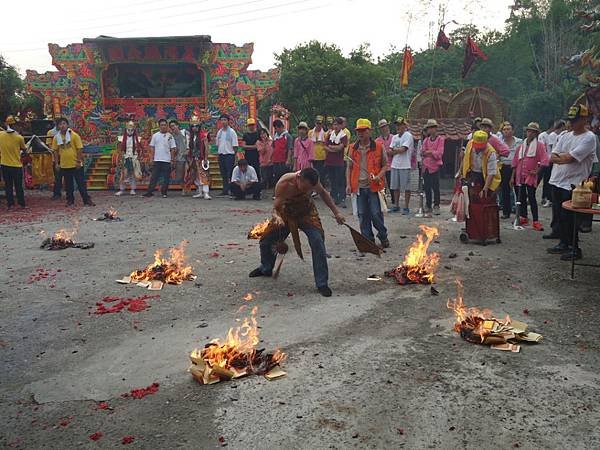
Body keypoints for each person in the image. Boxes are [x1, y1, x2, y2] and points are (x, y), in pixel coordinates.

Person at [249, 167, 345, 297]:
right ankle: (266, 268)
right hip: (286, 213)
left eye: (309, 189)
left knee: (317, 241)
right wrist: (278, 219)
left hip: (306, 213)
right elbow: (276, 208)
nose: (307, 191)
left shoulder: (313, 181)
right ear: (298, 178)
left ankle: (322, 283)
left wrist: (336, 212)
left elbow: (323, 193)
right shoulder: (284, 184)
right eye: (304, 188)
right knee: (266, 239)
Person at [547, 104, 597, 261]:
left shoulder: (589, 137)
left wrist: (561, 158)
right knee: (560, 215)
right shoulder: (565, 136)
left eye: (575, 120)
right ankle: (563, 242)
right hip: (557, 180)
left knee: (571, 217)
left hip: (575, 184)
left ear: (584, 119)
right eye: (570, 120)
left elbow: (570, 158)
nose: (571, 124)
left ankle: (574, 247)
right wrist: (561, 158)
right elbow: (552, 156)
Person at [346, 118, 390, 248]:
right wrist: (348, 184)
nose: (361, 133)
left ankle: (382, 235)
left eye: (363, 130)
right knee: (362, 214)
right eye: (359, 131)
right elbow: (349, 167)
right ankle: (368, 240)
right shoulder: (352, 148)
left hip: (374, 186)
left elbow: (385, 165)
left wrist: (379, 176)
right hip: (358, 186)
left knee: (376, 214)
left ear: (369, 131)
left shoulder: (378, 147)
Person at [512, 122, 549, 231]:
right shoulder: (521, 146)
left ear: (536, 133)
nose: (530, 133)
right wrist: (512, 176)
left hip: (530, 175)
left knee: (532, 197)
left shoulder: (539, 146)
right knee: (521, 196)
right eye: (528, 131)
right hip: (520, 174)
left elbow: (544, 160)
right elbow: (515, 162)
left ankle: (536, 220)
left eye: (532, 131)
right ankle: (524, 216)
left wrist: (537, 171)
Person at [51, 117, 95, 206]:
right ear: (58, 126)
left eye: (64, 124)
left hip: (76, 164)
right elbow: (55, 150)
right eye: (60, 124)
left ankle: (86, 200)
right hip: (64, 165)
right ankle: (70, 200)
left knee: (81, 184)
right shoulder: (56, 138)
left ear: (67, 125)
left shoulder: (74, 135)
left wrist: (78, 161)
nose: (62, 126)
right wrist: (56, 163)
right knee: (68, 185)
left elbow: (79, 149)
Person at [460, 130, 501, 201]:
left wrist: (485, 189)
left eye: (481, 146)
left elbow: (491, 173)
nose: (478, 148)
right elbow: (465, 160)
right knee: (471, 197)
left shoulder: (491, 152)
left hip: (486, 177)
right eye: (477, 146)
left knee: (486, 198)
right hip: (473, 173)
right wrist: (461, 172)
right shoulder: (470, 144)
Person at [143, 118, 176, 198]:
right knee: (154, 177)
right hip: (157, 160)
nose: (163, 126)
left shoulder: (170, 136)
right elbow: (152, 148)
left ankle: (164, 192)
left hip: (167, 160)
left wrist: (172, 159)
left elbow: (173, 149)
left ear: (167, 126)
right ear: (159, 126)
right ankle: (149, 192)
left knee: (166, 178)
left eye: (165, 125)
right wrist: (151, 158)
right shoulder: (155, 135)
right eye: (162, 125)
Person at [0, 115, 28, 209]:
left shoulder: (1, 135)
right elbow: (24, 149)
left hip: (4, 165)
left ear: (6, 124)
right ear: (15, 125)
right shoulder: (19, 137)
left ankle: (10, 205)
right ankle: (21, 204)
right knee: (18, 186)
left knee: (8, 186)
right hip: (16, 165)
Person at [389, 117, 414, 214]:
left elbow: (403, 149)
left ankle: (406, 207)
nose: (398, 127)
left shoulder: (408, 136)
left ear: (404, 126)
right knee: (395, 187)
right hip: (395, 164)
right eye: (397, 125)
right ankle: (396, 205)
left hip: (405, 164)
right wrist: (396, 150)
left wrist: (395, 150)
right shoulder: (394, 137)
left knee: (406, 187)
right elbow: (390, 152)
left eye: (400, 125)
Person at [421, 119, 445, 214]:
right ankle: (428, 204)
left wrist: (429, 152)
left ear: (435, 128)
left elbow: (439, 153)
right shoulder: (426, 140)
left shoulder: (440, 139)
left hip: (435, 166)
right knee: (427, 187)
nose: (430, 130)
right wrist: (431, 152)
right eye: (429, 128)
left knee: (435, 187)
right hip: (426, 166)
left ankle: (436, 205)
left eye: (432, 127)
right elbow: (422, 152)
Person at [499, 122, 522, 219]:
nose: (506, 131)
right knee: (505, 190)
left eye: (509, 129)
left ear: (513, 131)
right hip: (504, 167)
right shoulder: (499, 141)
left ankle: (521, 213)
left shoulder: (519, 142)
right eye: (504, 129)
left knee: (518, 190)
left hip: (516, 167)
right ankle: (506, 212)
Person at [325, 117, 348, 206]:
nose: (336, 126)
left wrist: (331, 147)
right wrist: (333, 148)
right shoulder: (330, 134)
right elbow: (325, 146)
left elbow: (340, 147)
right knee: (332, 180)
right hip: (330, 161)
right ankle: (334, 197)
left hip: (339, 161)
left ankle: (342, 197)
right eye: (334, 124)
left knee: (340, 180)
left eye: (338, 124)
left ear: (341, 125)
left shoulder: (343, 136)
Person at [115, 121, 140, 196]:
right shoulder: (121, 139)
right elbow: (119, 150)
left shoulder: (137, 139)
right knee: (123, 174)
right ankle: (121, 190)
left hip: (133, 158)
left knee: (132, 174)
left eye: (132, 130)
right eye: (128, 130)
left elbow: (140, 149)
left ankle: (132, 189)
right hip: (125, 158)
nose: (130, 131)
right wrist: (120, 158)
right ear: (125, 130)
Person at [187, 120, 211, 199]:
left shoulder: (203, 135)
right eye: (193, 126)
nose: (194, 128)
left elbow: (206, 148)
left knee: (204, 175)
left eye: (196, 126)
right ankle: (200, 192)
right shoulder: (191, 136)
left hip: (201, 158)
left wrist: (205, 158)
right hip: (194, 158)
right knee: (196, 175)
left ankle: (206, 193)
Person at [216, 114, 238, 196]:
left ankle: (232, 190)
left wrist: (235, 156)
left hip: (229, 155)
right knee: (223, 173)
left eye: (225, 120)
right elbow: (217, 144)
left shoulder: (232, 132)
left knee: (230, 173)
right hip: (221, 155)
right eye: (222, 120)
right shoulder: (219, 132)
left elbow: (235, 146)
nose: (223, 122)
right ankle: (225, 190)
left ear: (228, 121)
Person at [375, 119, 394, 196]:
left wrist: (387, 152)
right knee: (382, 184)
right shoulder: (377, 141)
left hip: (392, 165)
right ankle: (383, 200)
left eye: (385, 126)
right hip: (382, 166)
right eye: (382, 127)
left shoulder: (394, 138)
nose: (384, 128)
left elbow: (395, 151)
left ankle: (394, 200)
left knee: (392, 184)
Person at [169, 120, 188, 194]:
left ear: (178, 126)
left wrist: (188, 150)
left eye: (173, 125)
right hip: (178, 158)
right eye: (171, 126)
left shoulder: (185, 133)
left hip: (187, 157)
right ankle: (184, 188)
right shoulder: (171, 136)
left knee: (191, 174)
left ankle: (198, 189)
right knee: (179, 176)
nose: (172, 127)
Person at [272, 119, 293, 184]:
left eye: (277, 128)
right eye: (275, 128)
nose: (276, 130)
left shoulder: (287, 136)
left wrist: (288, 160)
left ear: (281, 127)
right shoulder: (275, 137)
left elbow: (290, 148)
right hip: (276, 161)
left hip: (283, 161)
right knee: (277, 178)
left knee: (284, 179)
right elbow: (273, 147)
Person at [309, 115, 328, 188]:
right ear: (315, 123)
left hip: (322, 156)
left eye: (320, 123)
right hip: (312, 155)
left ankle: (322, 188)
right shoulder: (310, 132)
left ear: (322, 124)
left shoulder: (325, 134)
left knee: (321, 173)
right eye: (317, 123)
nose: (318, 125)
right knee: (312, 174)